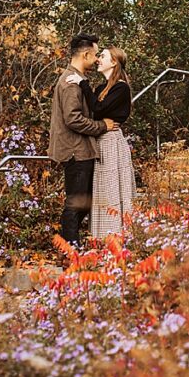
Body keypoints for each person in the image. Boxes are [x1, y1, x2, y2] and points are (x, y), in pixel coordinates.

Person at [48, 33, 117, 247]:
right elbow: (73, 119)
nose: (97, 59)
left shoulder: (77, 79)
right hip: (75, 151)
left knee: (83, 203)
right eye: (96, 54)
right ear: (86, 54)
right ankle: (70, 251)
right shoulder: (70, 83)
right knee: (76, 203)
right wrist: (102, 126)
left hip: (81, 150)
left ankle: (65, 243)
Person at [66, 47, 134, 238]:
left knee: (111, 188)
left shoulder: (121, 87)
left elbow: (98, 106)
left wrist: (83, 83)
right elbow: (93, 110)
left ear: (114, 62)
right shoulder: (100, 88)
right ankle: (101, 236)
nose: (98, 60)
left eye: (102, 56)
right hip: (99, 140)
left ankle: (116, 235)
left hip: (112, 142)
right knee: (100, 188)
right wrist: (82, 86)